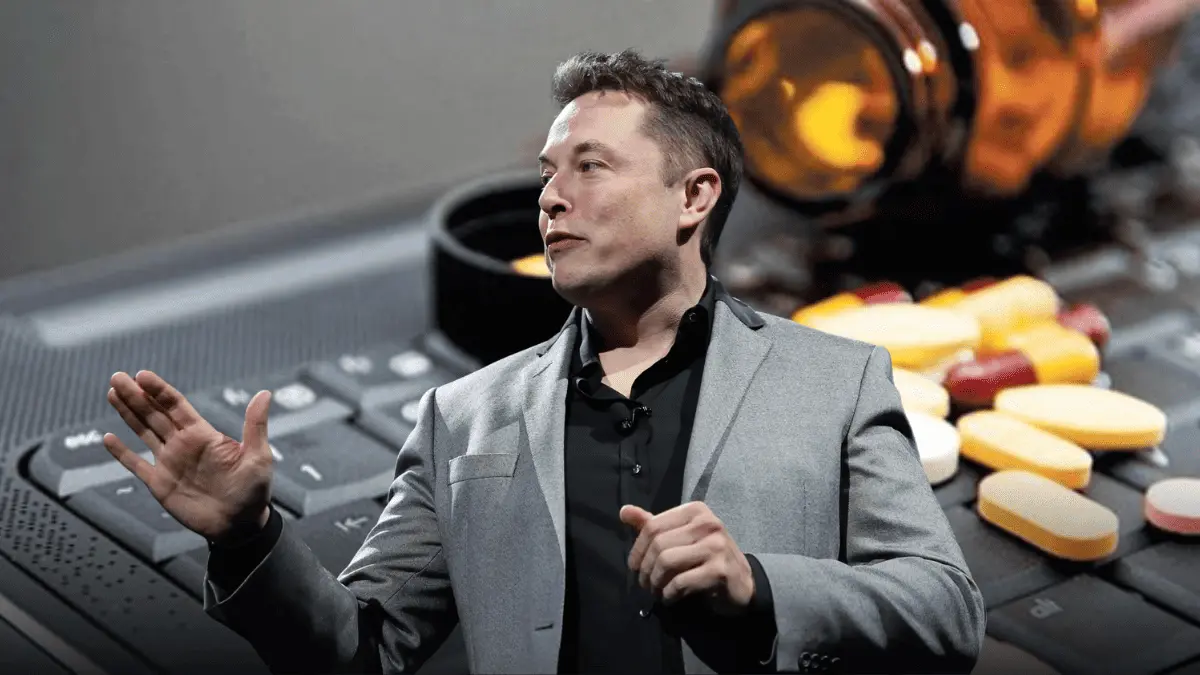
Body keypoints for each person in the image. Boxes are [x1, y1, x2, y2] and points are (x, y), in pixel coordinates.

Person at [102, 49, 986, 674]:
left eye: (589, 167)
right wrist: (248, 536)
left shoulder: (835, 380)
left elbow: (947, 611)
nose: (551, 199)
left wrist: (759, 587)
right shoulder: (463, 416)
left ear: (693, 195)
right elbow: (358, 651)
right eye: (546, 174)